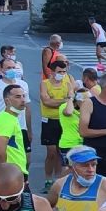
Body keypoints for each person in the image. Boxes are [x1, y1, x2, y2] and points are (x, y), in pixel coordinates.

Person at [38, 55, 77, 183]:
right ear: (53, 72)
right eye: (59, 72)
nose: (62, 74)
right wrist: (65, 100)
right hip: (49, 120)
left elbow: (71, 99)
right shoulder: (45, 84)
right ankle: (48, 180)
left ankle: (59, 180)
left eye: (64, 72)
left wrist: (57, 101)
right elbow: (46, 102)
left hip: (63, 121)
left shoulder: (68, 83)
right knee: (51, 153)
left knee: (62, 152)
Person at [0, 79, 31, 177]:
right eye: (17, 97)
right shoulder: (7, 120)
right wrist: (2, 173)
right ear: (7, 100)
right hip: (11, 173)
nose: (23, 100)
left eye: (23, 96)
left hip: (14, 172)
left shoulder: (8, 117)